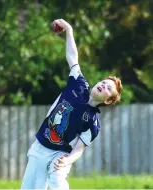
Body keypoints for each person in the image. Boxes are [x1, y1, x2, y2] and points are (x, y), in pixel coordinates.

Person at [20, 19, 123, 190]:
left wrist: (67, 160)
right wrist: (69, 30)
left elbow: (79, 149)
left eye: (108, 88)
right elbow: (72, 57)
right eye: (104, 82)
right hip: (41, 145)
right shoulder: (78, 83)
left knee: (57, 178)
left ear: (108, 100)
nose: (103, 85)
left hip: (60, 153)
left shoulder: (93, 123)